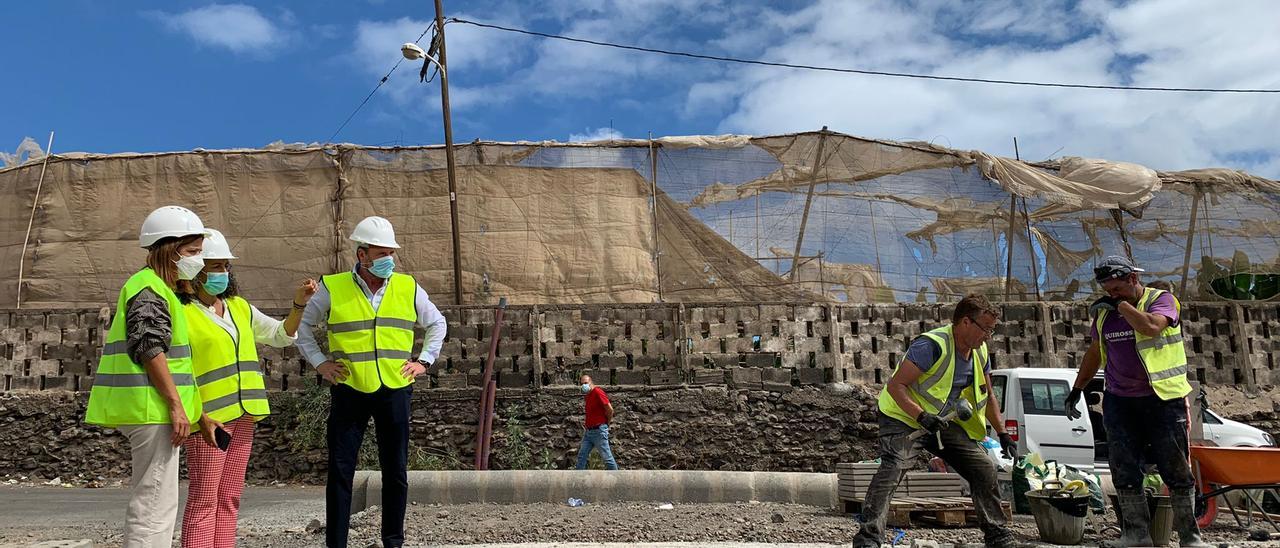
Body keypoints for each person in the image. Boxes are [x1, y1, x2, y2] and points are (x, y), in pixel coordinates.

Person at [295, 216, 447, 548]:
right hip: (349, 390)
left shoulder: (408, 287)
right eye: (381, 253)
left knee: (396, 472)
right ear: (362, 255)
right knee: (340, 471)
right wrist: (321, 364)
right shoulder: (333, 287)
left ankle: (393, 542)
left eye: (391, 253)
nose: (388, 260)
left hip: (394, 390)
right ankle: (336, 544)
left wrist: (423, 362)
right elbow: (303, 331)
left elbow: (437, 323)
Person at [177, 229, 318, 548]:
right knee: (204, 502)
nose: (222, 273)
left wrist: (298, 305)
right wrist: (197, 414)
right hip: (208, 420)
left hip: (243, 416)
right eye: (215, 266)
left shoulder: (238, 307)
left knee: (228, 500)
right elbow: (178, 370)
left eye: (226, 266)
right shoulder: (181, 312)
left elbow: (280, 335)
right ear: (195, 271)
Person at [84, 206, 209, 547]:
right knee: (154, 505)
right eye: (193, 252)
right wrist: (175, 406)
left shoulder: (156, 288)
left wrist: (197, 414)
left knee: (156, 502)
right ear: (170, 250)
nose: (199, 261)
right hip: (152, 410)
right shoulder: (149, 288)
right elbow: (150, 347)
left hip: (153, 409)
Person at [852, 294, 1019, 548]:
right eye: (986, 329)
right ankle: (868, 538)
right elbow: (896, 386)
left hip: (939, 422)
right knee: (894, 467)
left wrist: (1003, 433)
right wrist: (920, 415)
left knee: (983, 467)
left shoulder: (979, 351)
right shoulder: (932, 345)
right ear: (966, 322)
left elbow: (988, 394)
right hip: (902, 417)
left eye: (992, 331)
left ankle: (997, 535)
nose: (988, 336)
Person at [1066, 256, 1207, 547]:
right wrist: (1078, 388)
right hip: (1120, 401)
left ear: (1132, 279)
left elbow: (1151, 327)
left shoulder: (1162, 300)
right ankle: (1135, 535)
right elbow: (1095, 352)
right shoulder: (1105, 314)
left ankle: (1190, 538)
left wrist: (1121, 305)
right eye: (1108, 290)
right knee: (1125, 469)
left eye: (1117, 288)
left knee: (1176, 469)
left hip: (1162, 399)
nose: (1112, 294)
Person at [575, 374, 618, 470]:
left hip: (599, 430)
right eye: (582, 384)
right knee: (582, 457)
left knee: (607, 458)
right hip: (589, 432)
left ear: (591, 382)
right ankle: (577, 481)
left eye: (585, 383)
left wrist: (607, 423)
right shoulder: (588, 395)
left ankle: (618, 480)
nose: (583, 386)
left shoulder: (598, 392)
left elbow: (610, 409)